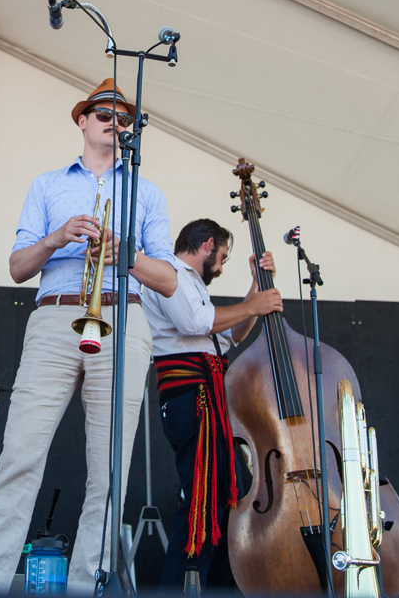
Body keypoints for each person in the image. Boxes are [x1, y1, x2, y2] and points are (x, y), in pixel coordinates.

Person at [0, 78, 178, 594]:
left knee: (110, 475)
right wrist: (60, 236)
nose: (113, 120)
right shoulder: (47, 185)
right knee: (19, 456)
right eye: (102, 112)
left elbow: (169, 280)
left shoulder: (146, 192)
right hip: (56, 317)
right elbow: (17, 266)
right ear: (82, 121)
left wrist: (123, 250)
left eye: (122, 116)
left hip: (123, 319)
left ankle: (89, 587)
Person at [140, 218, 282, 590]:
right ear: (206, 245)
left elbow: (229, 337)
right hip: (191, 395)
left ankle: (222, 585)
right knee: (203, 498)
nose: (220, 267)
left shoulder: (191, 284)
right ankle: (180, 586)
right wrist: (254, 304)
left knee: (225, 496)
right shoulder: (170, 274)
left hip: (203, 395)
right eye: (221, 257)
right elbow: (197, 324)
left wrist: (256, 290)